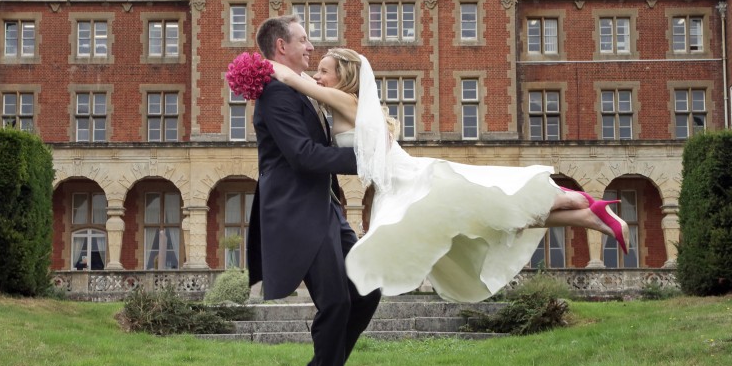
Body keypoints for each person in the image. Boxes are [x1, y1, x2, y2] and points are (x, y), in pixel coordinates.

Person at [270, 47, 630, 304]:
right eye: (316, 70)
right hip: (395, 184)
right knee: (489, 223)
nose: (316, 75)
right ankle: (588, 214)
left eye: (323, 70)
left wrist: (264, 65)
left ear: (342, 76)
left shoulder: (347, 101)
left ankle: (580, 201)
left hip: (408, 183)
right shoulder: (347, 102)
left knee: (497, 208)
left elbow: (293, 79)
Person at [245, 17, 381, 366]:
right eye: (303, 40)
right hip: (298, 213)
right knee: (336, 304)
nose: (310, 46)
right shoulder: (275, 94)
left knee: (366, 292)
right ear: (281, 48)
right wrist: (367, 159)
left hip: (325, 208)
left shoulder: (301, 88)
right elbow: (303, 156)